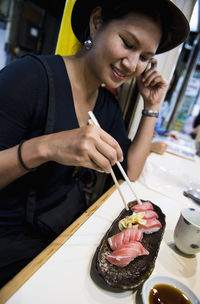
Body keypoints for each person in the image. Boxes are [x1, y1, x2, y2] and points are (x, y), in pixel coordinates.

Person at [0, 0, 189, 287]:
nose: (132, 65)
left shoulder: (106, 107)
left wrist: (152, 105)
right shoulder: (30, 77)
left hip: (62, 239)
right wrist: (46, 147)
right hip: (12, 249)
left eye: (145, 58)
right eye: (127, 43)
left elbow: (130, 171)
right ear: (97, 22)